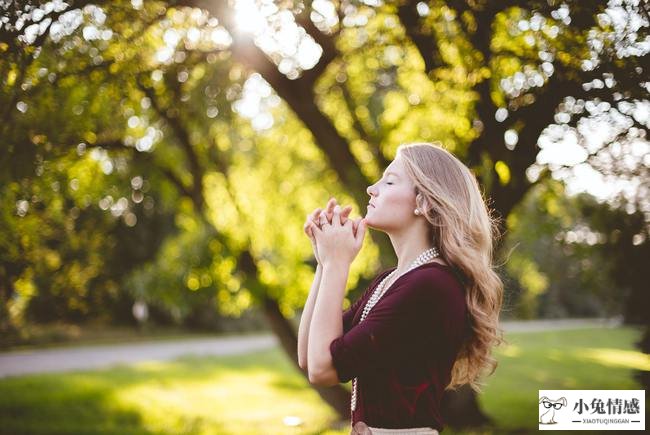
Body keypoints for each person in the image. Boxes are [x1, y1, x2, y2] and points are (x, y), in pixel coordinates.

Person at [297, 142, 505, 434]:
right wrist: (325, 261)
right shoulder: (391, 280)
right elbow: (309, 356)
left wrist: (337, 265)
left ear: (424, 203)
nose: (372, 188)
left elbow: (323, 370)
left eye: (389, 181)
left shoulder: (430, 286)